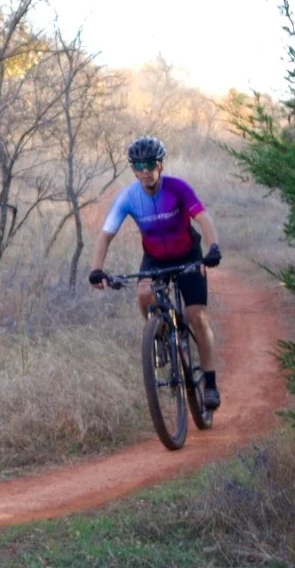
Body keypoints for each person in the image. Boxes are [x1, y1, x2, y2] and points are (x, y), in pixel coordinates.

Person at [88, 135, 223, 408]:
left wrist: (214, 247)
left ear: (160, 165)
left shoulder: (177, 188)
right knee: (143, 294)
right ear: (133, 169)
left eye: (150, 164)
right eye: (138, 166)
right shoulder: (129, 197)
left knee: (197, 316)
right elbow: (105, 235)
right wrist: (96, 270)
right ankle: (160, 333)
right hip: (155, 258)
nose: (145, 171)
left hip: (188, 254)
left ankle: (210, 383)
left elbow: (202, 217)